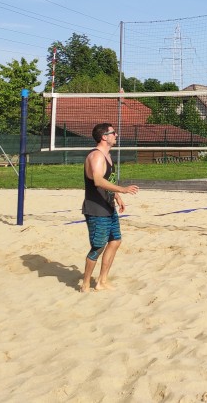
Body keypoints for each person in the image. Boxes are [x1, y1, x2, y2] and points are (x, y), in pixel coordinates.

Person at [80, 123, 140, 293]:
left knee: (115, 240)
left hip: (108, 205)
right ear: (104, 137)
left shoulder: (107, 155)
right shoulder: (97, 156)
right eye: (113, 133)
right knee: (98, 247)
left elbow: (109, 181)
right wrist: (123, 189)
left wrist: (117, 197)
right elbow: (98, 181)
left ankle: (102, 281)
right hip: (96, 208)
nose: (116, 135)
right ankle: (85, 284)